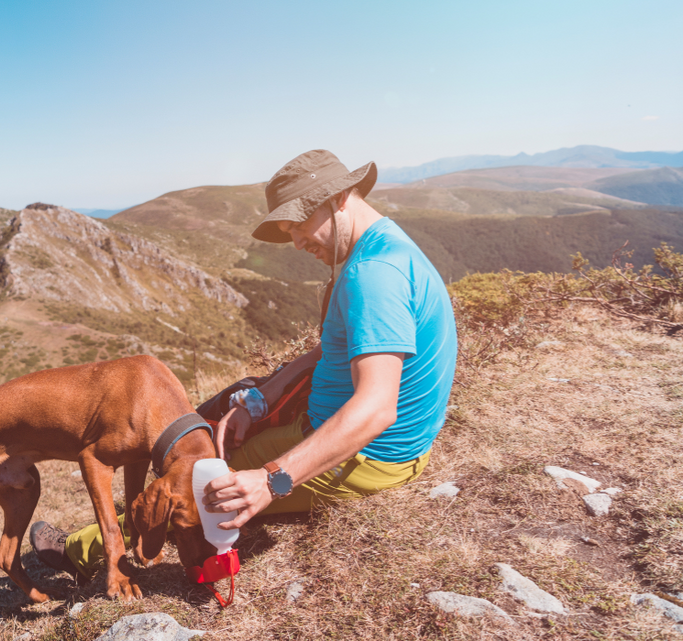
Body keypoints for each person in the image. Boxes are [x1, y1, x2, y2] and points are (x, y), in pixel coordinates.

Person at [31, 148, 457, 578]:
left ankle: (81, 550)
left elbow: (376, 408)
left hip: (370, 456)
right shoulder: (381, 246)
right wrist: (262, 398)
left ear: (340, 197)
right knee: (214, 420)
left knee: (199, 485)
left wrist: (272, 480)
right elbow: (331, 349)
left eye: (300, 224)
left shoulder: (374, 273)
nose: (296, 242)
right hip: (350, 428)